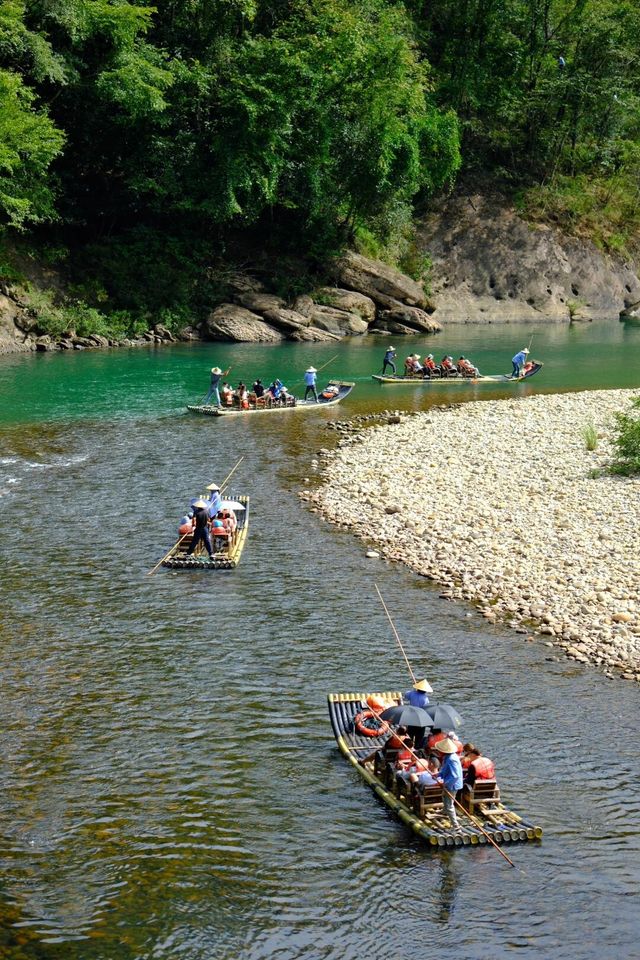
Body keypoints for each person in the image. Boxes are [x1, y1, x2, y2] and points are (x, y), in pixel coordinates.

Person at [434, 737, 463, 829]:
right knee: (444, 796)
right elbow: (445, 770)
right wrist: (438, 774)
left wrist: (445, 784)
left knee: (449, 804)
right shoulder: (447, 757)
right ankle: (444, 811)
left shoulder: (452, 759)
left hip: (452, 785)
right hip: (448, 782)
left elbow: (455, 776)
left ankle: (455, 826)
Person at [404, 678, 432, 748]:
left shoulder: (412, 694)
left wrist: (414, 689)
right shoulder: (425, 699)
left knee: (410, 735)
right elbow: (426, 708)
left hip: (412, 717)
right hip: (421, 719)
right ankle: (417, 748)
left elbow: (406, 694)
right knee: (419, 738)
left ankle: (409, 747)